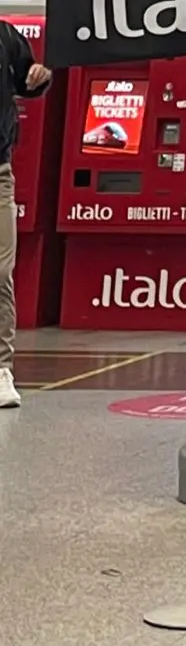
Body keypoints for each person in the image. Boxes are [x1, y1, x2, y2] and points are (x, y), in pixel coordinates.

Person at [0, 21, 52, 409]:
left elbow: (28, 79)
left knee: (1, 270)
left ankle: (1, 370)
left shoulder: (6, 36)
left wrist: (40, 78)